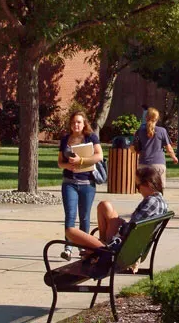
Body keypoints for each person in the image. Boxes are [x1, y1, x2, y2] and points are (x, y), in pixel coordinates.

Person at [65, 166, 168, 252]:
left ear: (147, 184)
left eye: (138, 186)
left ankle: (101, 250)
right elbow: (135, 227)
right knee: (104, 206)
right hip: (127, 245)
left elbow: (129, 231)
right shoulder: (161, 202)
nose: (138, 190)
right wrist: (119, 222)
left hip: (119, 248)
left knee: (70, 231)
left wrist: (119, 226)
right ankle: (100, 246)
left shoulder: (151, 202)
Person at [56, 111, 103, 261]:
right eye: (73, 122)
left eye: (79, 122)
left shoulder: (91, 137)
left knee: (84, 217)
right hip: (69, 182)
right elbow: (59, 162)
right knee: (70, 215)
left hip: (87, 183)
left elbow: (99, 156)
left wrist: (81, 160)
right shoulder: (65, 140)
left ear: (84, 124)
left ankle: (84, 248)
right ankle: (68, 248)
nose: (76, 125)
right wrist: (67, 166)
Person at [133, 107, 178, 189]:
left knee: (145, 189)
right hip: (158, 164)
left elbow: (133, 148)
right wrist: (174, 157)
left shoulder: (139, 131)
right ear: (157, 118)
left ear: (146, 118)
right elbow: (169, 148)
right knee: (159, 189)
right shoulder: (162, 131)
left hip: (143, 164)